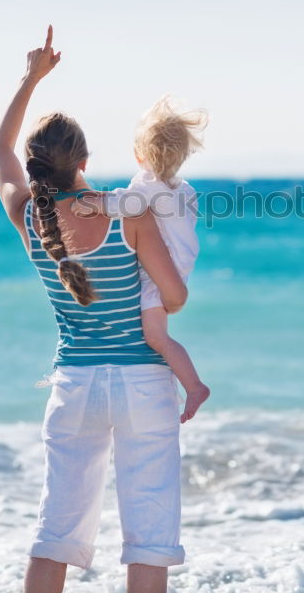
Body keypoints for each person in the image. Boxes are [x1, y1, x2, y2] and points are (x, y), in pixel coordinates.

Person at [0, 26, 189, 593]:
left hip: (73, 383)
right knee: (148, 528)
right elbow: (173, 297)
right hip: (139, 382)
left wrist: (30, 78)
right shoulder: (125, 211)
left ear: (38, 165)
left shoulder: (26, 216)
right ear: (85, 159)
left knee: (56, 527)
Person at [71, 95, 210, 423]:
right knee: (157, 330)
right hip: (179, 266)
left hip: (161, 276)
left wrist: (93, 203)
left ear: (139, 155)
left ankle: (194, 385)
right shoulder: (183, 189)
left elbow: (125, 203)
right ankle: (180, 381)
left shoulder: (148, 189)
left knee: (155, 336)